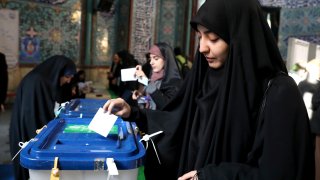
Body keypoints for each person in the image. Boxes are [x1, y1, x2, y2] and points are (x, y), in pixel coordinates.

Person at [103, 0, 314, 179]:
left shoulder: (279, 94)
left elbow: (281, 173)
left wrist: (211, 176)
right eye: (200, 37)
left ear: (238, 38)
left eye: (213, 38)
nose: (203, 47)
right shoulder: (206, 79)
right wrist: (134, 113)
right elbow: (177, 123)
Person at [9, 55, 76, 180]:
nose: (68, 81)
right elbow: (34, 116)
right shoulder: (38, 82)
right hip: (28, 131)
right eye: (67, 77)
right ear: (58, 72)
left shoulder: (42, 80)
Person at [132, 42, 182, 110]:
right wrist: (140, 98)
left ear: (165, 59)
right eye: (150, 59)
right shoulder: (154, 77)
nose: (151, 62)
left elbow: (166, 105)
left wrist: (146, 82)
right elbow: (150, 100)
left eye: (156, 59)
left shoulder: (174, 81)